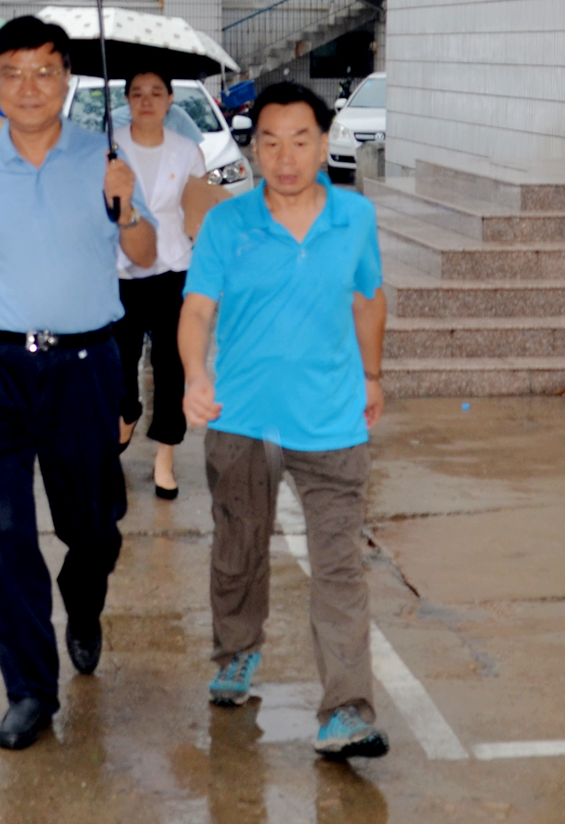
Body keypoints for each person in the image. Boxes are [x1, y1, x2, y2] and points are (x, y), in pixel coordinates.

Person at [0, 16, 158, 751]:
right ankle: (29, 687)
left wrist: (126, 206)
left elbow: (145, 252)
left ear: (67, 80)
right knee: (4, 532)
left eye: (45, 71)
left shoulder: (105, 158)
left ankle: (82, 601)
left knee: (94, 527)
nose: (29, 87)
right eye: (13, 73)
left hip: (85, 368)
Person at [179, 82, 389, 760]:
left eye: (300, 140)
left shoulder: (354, 217)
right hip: (242, 418)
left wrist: (373, 374)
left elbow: (368, 298)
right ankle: (237, 651)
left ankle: (347, 708)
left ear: (324, 145)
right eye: (269, 141)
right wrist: (195, 374)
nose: (285, 156)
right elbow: (197, 310)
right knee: (239, 549)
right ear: (254, 149)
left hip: (332, 419)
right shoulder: (227, 224)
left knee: (340, 566)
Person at [111, 68, 207, 500]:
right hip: (119, 270)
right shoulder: (109, 148)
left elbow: (198, 212)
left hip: (173, 268)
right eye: (137, 93)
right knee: (118, 359)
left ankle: (165, 455)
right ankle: (126, 412)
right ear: (126, 100)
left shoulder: (187, 151)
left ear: (170, 100)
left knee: (171, 365)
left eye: (155, 93)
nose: (146, 101)